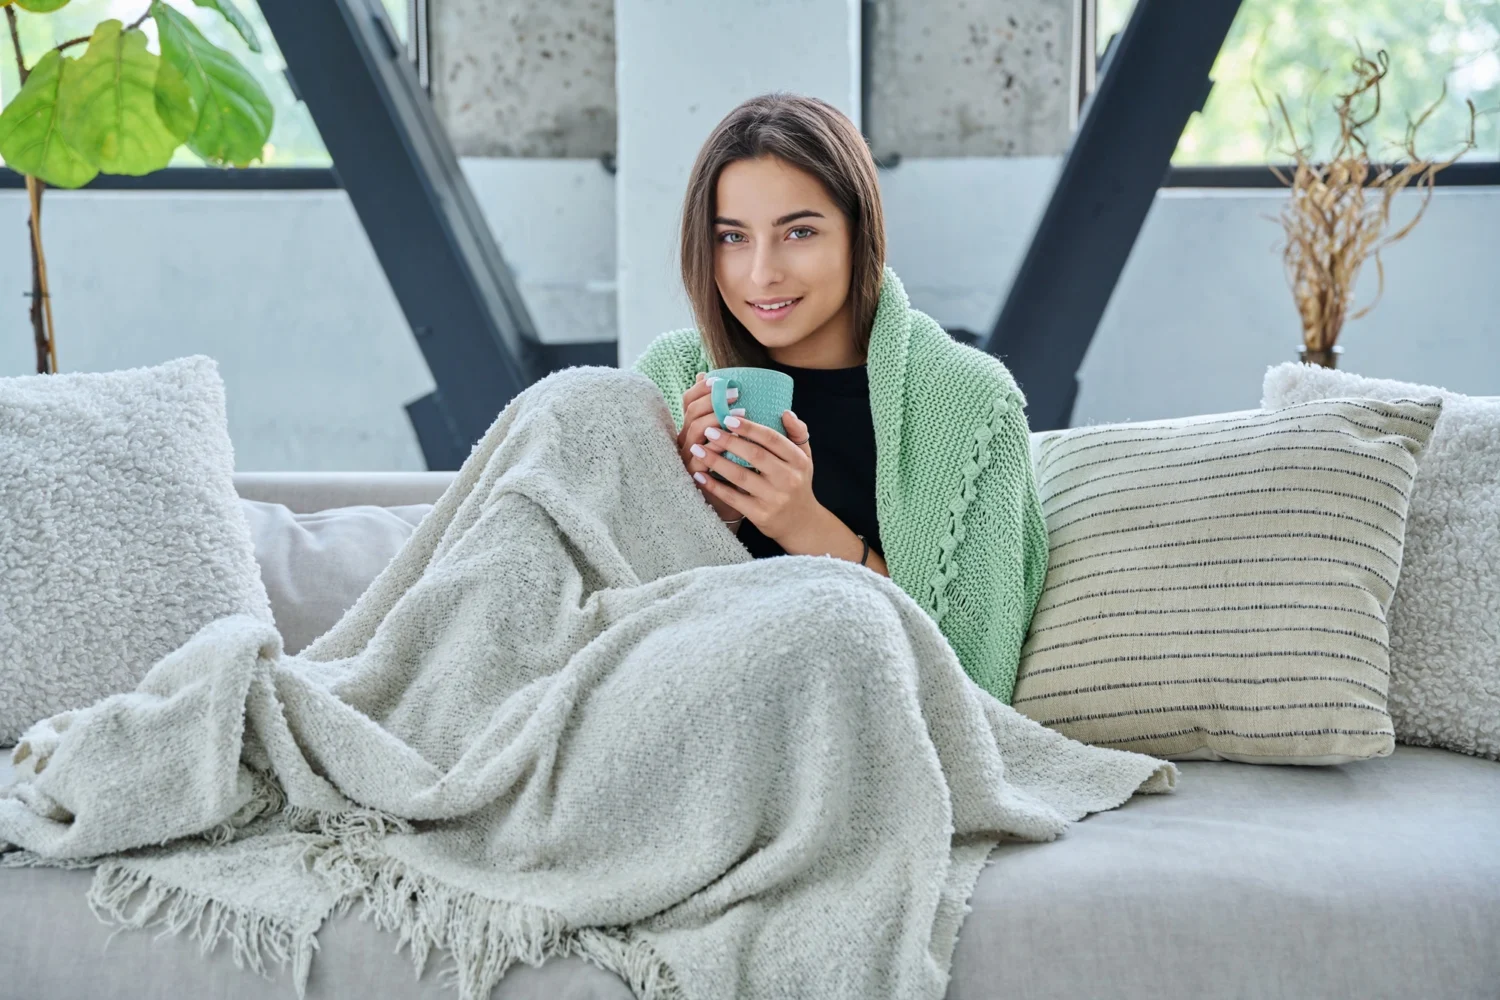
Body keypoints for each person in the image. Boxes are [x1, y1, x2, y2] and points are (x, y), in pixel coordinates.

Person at [632, 92, 1050, 706]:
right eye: (732, 237)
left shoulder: (971, 407)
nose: (762, 273)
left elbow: (971, 676)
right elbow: (619, 620)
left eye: (799, 232)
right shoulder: (668, 380)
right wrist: (712, 514)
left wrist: (801, 523)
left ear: (859, 231)